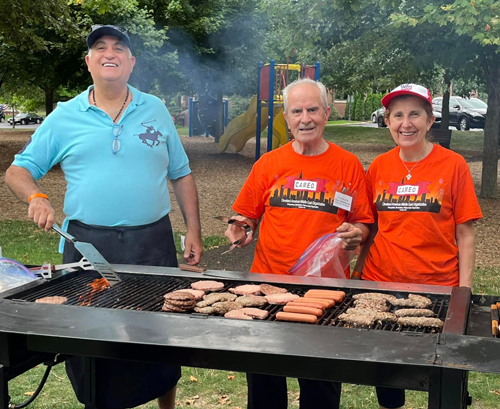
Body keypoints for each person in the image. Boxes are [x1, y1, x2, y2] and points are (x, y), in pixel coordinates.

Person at [5, 24, 203, 409]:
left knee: (160, 335)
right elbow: (17, 171)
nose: (109, 53)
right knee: (90, 341)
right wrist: (37, 197)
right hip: (88, 246)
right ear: (89, 61)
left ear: (131, 63)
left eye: (118, 48)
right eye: (100, 47)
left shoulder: (156, 109)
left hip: (153, 242)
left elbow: (180, 173)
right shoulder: (65, 116)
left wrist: (193, 230)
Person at [225, 78, 374, 409]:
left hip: (326, 290)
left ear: (325, 112)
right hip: (268, 285)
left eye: (312, 110)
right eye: (297, 111)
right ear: (286, 117)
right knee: (265, 387)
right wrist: (239, 227)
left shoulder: (348, 165)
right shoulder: (269, 164)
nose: (305, 118)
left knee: (320, 386)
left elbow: (363, 222)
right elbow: (246, 214)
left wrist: (357, 233)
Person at [353, 83, 483, 409]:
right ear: (388, 121)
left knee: (441, 379)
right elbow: (371, 228)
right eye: (398, 115)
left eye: (415, 114)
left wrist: (464, 291)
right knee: (388, 375)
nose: (405, 123)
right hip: (381, 283)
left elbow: (465, 234)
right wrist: (356, 273)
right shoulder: (380, 167)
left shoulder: (453, 166)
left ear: (430, 119)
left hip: (438, 288)